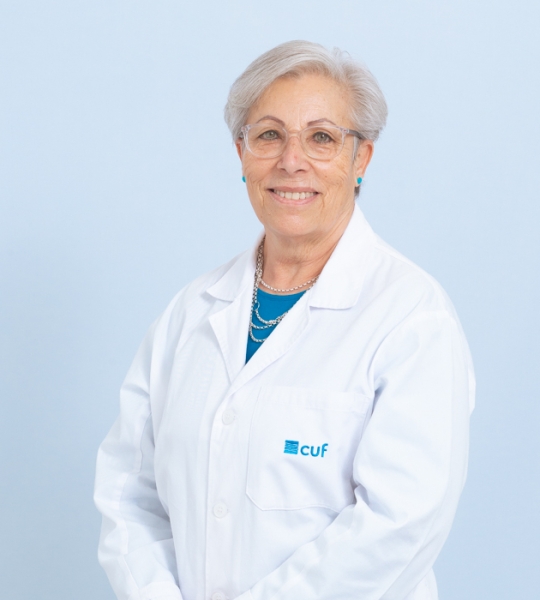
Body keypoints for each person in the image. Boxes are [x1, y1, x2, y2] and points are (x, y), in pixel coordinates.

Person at [94, 40, 475, 600]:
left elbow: (399, 526)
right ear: (241, 153)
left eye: (322, 137)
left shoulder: (413, 318)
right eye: (269, 135)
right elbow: (130, 495)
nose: (291, 161)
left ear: (361, 159)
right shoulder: (190, 314)